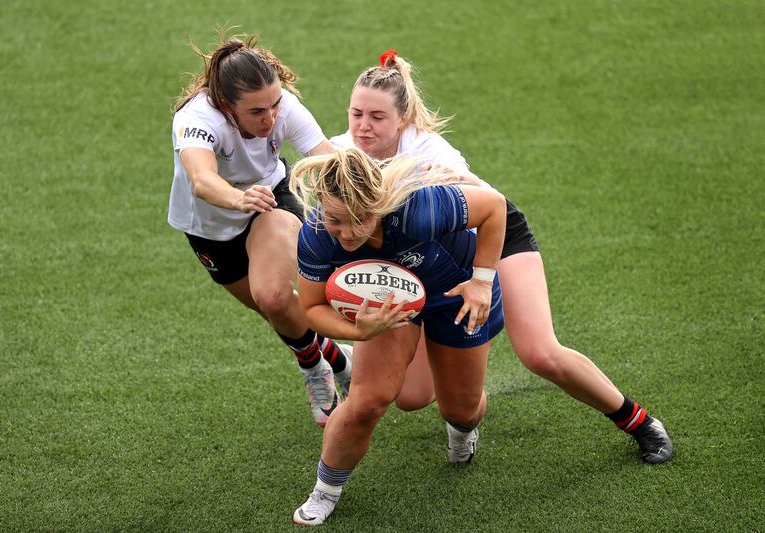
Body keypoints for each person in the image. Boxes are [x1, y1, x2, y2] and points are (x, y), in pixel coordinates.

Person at [329, 50, 673, 464]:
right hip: (419, 257)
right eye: (356, 114)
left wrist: (481, 278)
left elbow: (488, 207)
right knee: (411, 397)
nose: (364, 126)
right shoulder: (342, 153)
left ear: (402, 119)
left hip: (491, 233)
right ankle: (451, 398)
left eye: (377, 117)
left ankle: (638, 421)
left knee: (539, 352)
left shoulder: (429, 152)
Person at [289, 147, 508, 526]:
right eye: (335, 219)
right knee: (367, 401)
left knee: (461, 409)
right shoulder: (317, 233)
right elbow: (310, 308)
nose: (343, 232)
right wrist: (360, 329)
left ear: (377, 206)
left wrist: (482, 281)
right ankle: (325, 490)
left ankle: (462, 429)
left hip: (454, 292)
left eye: (356, 220)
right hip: (386, 307)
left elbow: (494, 207)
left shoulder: (417, 208)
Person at [167, 33, 353, 427]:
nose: (270, 119)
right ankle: (337, 358)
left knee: (271, 296)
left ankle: (313, 369)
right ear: (226, 107)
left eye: (274, 104)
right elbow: (202, 179)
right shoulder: (196, 119)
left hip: (271, 200)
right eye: (256, 112)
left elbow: (327, 160)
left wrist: (379, 188)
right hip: (209, 226)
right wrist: (238, 199)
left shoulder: (282, 108)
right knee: (277, 311)